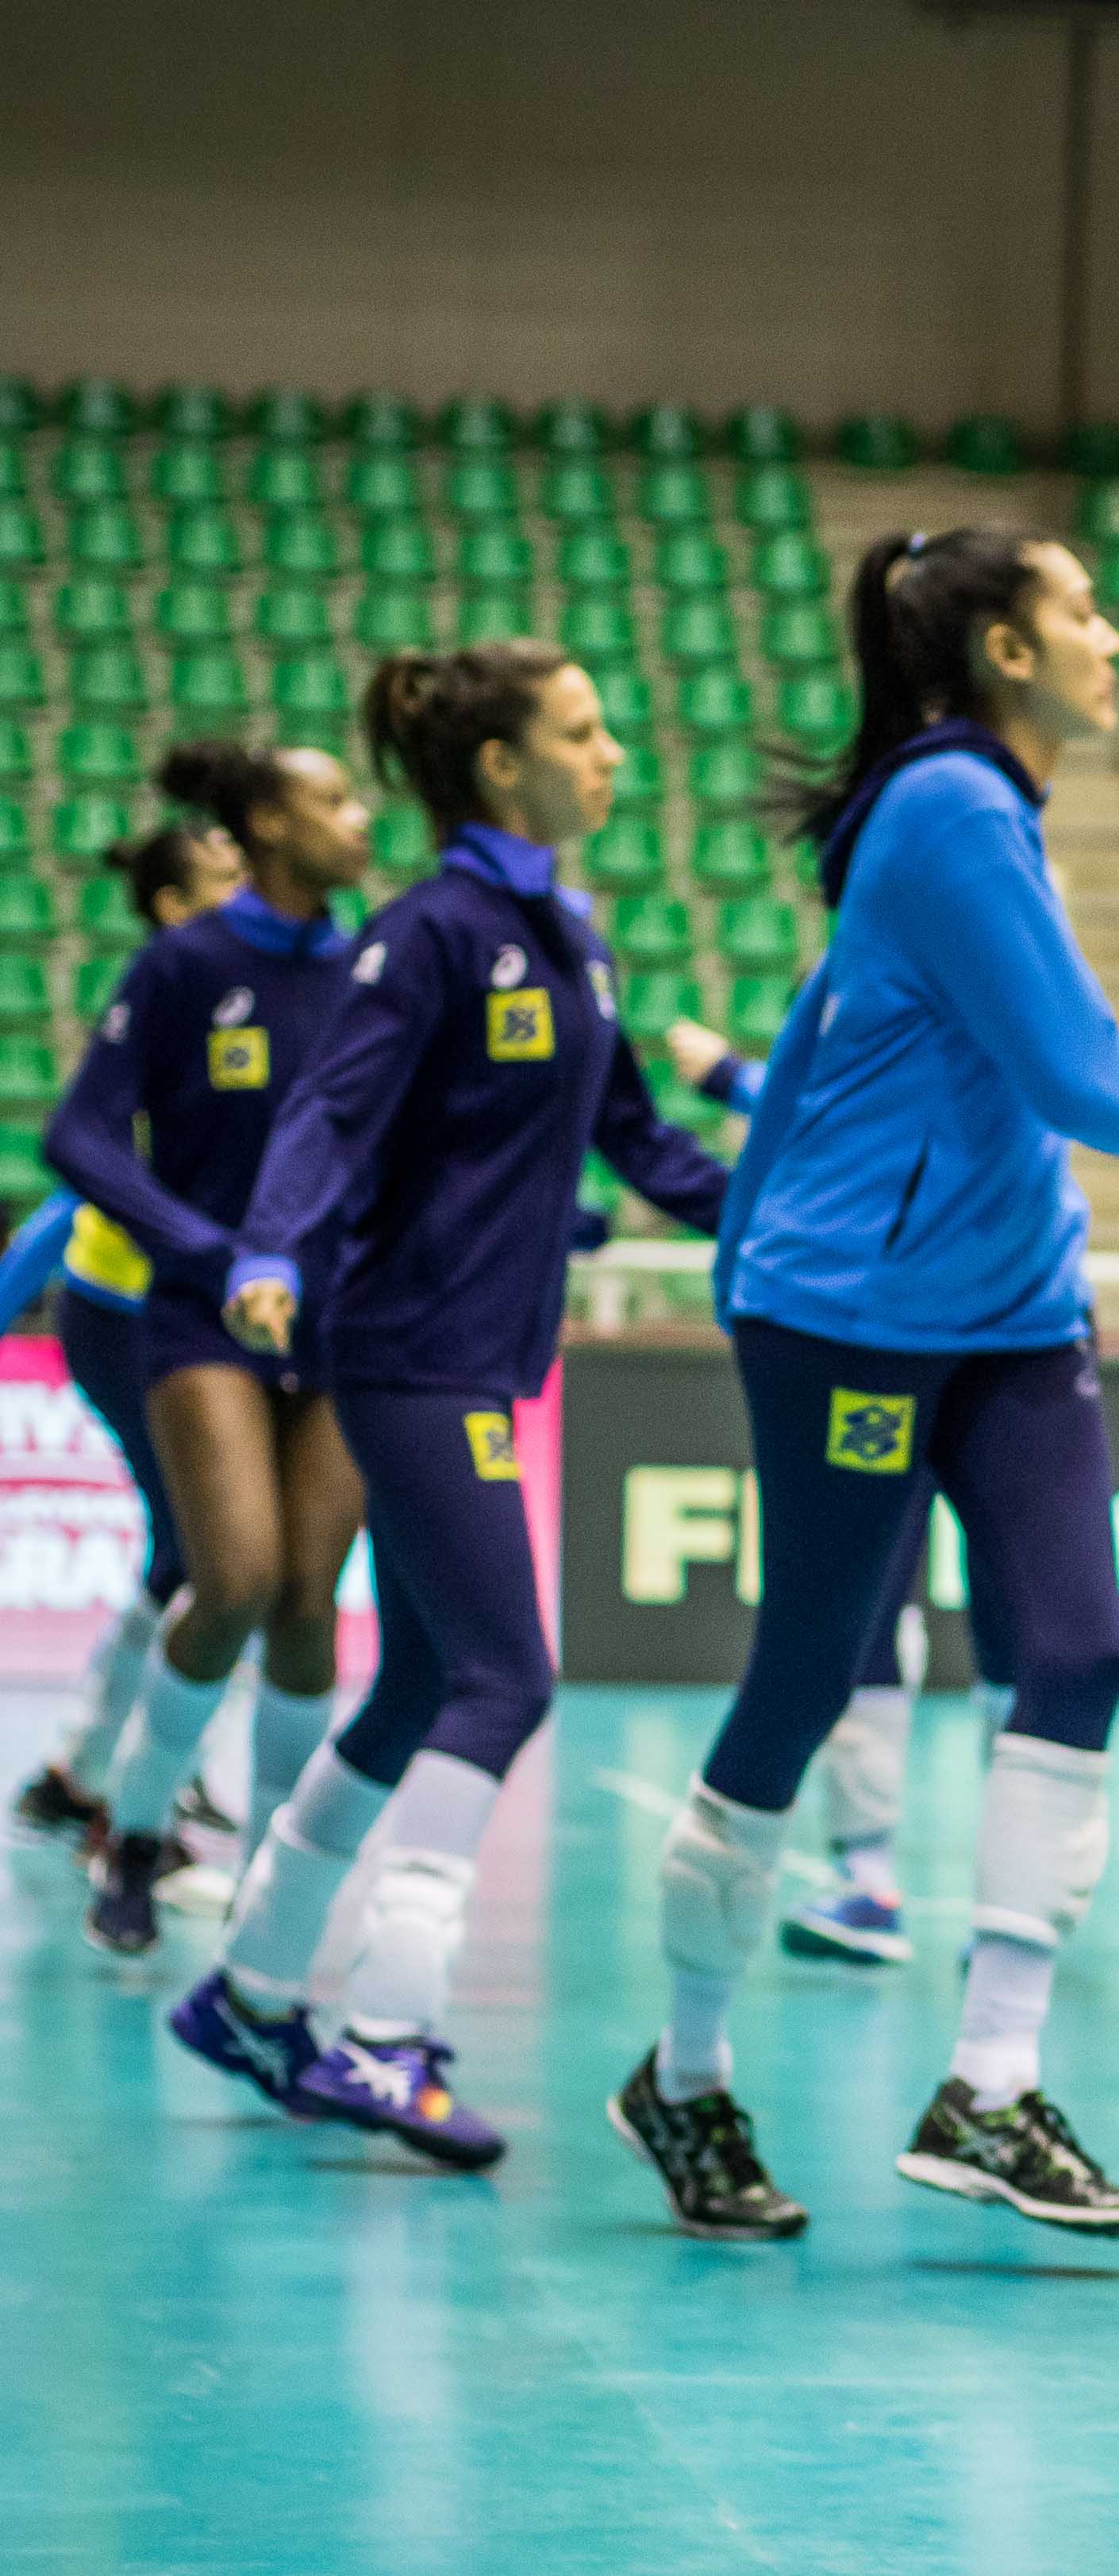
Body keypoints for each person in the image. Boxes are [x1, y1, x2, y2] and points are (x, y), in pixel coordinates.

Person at [613, 524, 1119, 2245]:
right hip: (858, 1313)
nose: (1112, 634)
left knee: (1081, 1645)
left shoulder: (993, 815)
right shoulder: (948, 809)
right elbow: (1085, 1078)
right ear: (1001, 649)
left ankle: (989, 2087)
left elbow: (931, 1054)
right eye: (1083, 610)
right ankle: (681, 2080)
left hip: (1013, 1305)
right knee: (811, 1671)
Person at [195, 642, 733, 2169]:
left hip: (487, 1354)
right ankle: (383, 2037)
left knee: (422, 1687)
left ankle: (246, 1992)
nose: (613, 748)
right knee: (509, 1681)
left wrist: (778, 1211)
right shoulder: (430, 933)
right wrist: (271, 1246)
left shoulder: (573, 935)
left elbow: (640, 1139)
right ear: (502, 766)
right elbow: (330, 1107)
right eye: (584, 728)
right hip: (412, 1352)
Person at [60, 741, 379, 1961]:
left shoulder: (370, 969)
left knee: (309, 1602)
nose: (360, 821)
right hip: (201, 1314)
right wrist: (212, 1250)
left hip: (336, 1319)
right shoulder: (187, 963)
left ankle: (267, 1877)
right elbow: (79, 1135)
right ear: (262, 826)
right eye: (332, 802)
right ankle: (135, 1833)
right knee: (230, 1576)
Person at [661, 1008, 995, 1967]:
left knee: (1026, 1627)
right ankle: (870, 1879)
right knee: (869, 1605)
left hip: (996, 1339)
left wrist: (728, 1075)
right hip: (877, 1339)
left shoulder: (1018, 1019)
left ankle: (992, 1899)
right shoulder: (904, 988)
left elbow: (846, 1115)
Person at [11, 825, 240, 1855]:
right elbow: (78, 1177)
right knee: (205, 1556)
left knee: (185, 1552)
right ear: (170, 904)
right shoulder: (170, 997)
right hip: (125, 1315)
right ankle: (139, 1791)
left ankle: (83, 1774)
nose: (245, 890)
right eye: (222, 877)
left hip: (191, 1313)